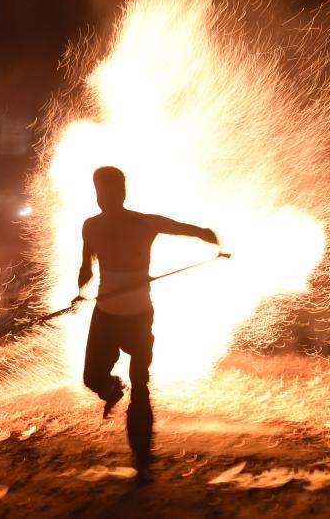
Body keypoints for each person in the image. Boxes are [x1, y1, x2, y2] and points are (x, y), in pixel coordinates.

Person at [76, 166, 221, 481]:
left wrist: (210, 237)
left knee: (141, 386)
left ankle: (142, 458)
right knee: (92, 377)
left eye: (112, 192)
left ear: (123, 193)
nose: (106, 198)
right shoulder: (90, 226)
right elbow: (86, 265)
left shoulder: (145, 223)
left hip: (139, 316)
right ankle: (112, 389)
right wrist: (79, 291)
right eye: (100, 192)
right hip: (105, 313)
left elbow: (187, 229)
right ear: (96, 194)